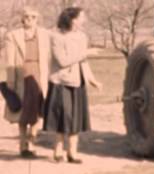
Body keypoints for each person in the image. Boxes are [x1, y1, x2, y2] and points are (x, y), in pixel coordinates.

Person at [43, 7, 102, 163]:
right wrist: (86, 53)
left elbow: (83, 62)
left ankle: (72, 153)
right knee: (63, 118)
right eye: (81, 17)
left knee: (76, 119)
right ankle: (58, 152)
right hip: (61, 83)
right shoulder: (56, 36)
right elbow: (63, 61)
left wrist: (91, 79)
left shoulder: (82, 37)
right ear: (72, 19)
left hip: (77, 82)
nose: (84, 20)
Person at [4, 7, 51, 158]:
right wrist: (11, 79)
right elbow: (9, 60)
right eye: (27, 17)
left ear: (37, 19)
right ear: (22, 19)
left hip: (39, 74)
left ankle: (32, 142)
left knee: (38, 110)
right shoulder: (13, 35)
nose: (29, 19)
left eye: (33, 17)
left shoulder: (44, 34)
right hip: (21, 74)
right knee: (22, 111)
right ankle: (23, 146)